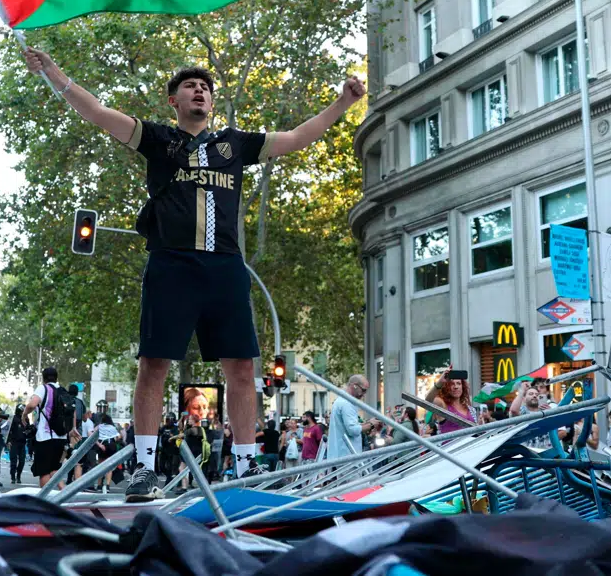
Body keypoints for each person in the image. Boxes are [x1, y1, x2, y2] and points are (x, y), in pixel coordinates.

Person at [22, 49, 366, 500]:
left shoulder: (236, 145)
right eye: (190, 86)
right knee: (153, 365)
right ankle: (144, 469)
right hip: (172, 264)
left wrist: (343, 102)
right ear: (174, 101)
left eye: (205, 86)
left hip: (226, 266)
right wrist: (53, 71)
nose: (199, 90)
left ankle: (243, 470)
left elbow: (299, 136)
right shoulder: (158, 139)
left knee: (242, 368)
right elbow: (98, 113)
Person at [23, 366, 77, 489]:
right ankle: (64, 494)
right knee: (55, 470)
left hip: (45, 438)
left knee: (44, 471)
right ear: (56, 377)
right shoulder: (63, 390)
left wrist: (24, 414)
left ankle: (44, 501)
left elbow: (32, 404)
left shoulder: (43, 388)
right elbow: (72, 410)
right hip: (61, 437)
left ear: (43, 378)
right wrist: (73, 428)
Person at [328, 374, 377, 460]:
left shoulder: (342, 400)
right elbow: (353, 430)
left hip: (341, 454)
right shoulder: (347, 403)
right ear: (354, 385)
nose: (364, 394)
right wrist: (371, 425)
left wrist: (367, 424)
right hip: (347, 457)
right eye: (363, 390)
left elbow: (348, 426)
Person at [95, 414, 121, 493]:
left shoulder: (99, 426)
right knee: (109, 468)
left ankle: (99, 485)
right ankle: (107, 486)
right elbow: (119, 437)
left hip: (102, 445)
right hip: (111, 446)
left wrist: (99, 444)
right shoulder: (112, 427)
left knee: (100, 466)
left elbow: (92, 434)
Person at [7, 409, 30, 484]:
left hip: (22, 443)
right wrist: (9, 441)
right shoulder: (13, 418)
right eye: (21, 411)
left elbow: (28, 429)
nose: (22, 412)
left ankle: (18, 476)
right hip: (14, 442)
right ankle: (13, 477)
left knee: (22, 461)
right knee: (13, 461)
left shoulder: (26, 418)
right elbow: (9, 430)